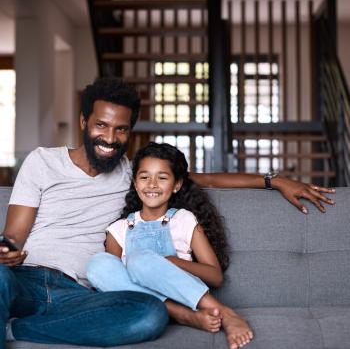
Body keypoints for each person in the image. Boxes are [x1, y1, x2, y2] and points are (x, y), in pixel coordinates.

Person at [0, 78, 334, 347]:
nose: (110, 138)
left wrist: (273, 180)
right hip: (25, 279)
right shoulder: (43, 161)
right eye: (101, 125)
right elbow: (13, 235)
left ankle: (20, 331)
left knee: (149, 316)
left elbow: (209, 178)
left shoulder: (135, 176)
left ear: (130, 132)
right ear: (84, 121)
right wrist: (6, 250)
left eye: (121, 130)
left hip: (85, 293)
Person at [87, 142, 255, 349]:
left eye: (162, 177)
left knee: (141, 260)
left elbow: (215, 277)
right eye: (144, 177)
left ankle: (224, 313)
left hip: (187, 295)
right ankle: (183, 316)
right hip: (144, 306)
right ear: (135, 182)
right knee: (97, 264)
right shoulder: (119, 229)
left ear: (176, 184)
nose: (152, 184)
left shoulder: (183, 219)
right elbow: (115, 283)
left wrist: (172, 262)